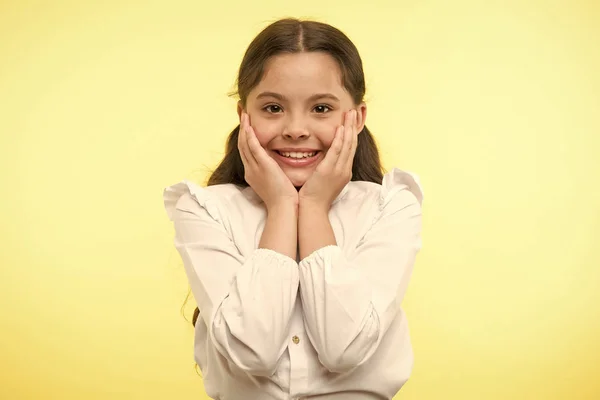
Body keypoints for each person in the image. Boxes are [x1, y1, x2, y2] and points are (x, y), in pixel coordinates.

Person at [163, 17, 423, 400]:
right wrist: (283, 205)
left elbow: (344, 349)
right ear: (243, 116)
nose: (296, 129)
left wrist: (315, 206)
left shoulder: (390, 206)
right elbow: (252, 353)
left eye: (321, 108)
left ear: (358, 118)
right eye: (272, 107)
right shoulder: (203, 209)